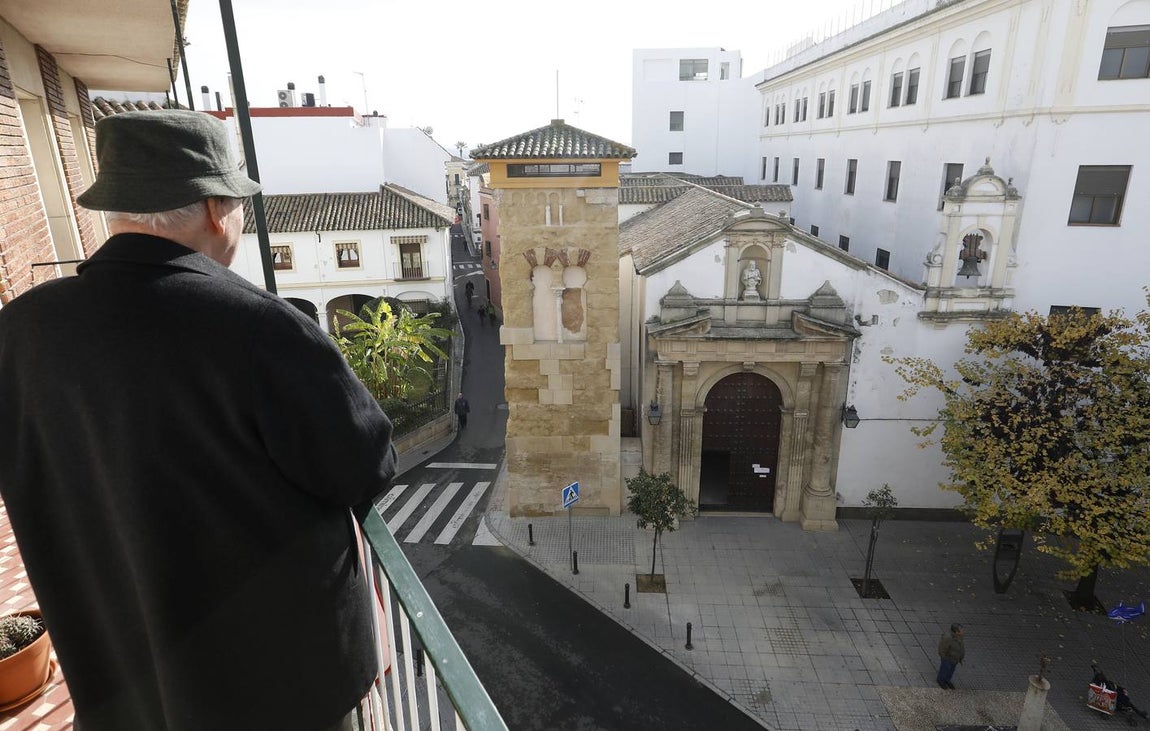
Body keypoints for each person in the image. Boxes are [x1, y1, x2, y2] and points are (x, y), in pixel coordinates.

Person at [0, 110, 397, 731]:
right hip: (281, 684)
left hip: (123, 675)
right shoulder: (262, 327)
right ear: (218, 209)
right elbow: (365, 465)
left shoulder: (19, 332)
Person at [936, 623, 965, 690]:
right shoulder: (948, 638)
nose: (963, 631)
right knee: (944, 670)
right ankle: (941, 681)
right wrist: (944, 658)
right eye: (961, 630)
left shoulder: (960, 636)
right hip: (948, 658)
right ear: (956, 632)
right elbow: (942, 649)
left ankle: (947, 680)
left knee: (951, 670)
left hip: (955, 659)